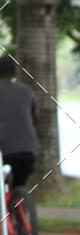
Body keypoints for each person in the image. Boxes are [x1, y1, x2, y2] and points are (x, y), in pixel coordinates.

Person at [0, 55, 38, 188]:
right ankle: (18, 204)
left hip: (3, 152)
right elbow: (35, 120)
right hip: (28, 152)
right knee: (18, 185)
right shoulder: (27, 91)